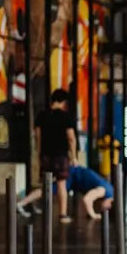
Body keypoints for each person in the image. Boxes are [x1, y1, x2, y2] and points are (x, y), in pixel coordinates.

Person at [33, 89, 77, 222]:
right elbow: (71, 138)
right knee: (61, 185)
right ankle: (62, 215)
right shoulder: (66, 117)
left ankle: (46, 211)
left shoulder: (41, 116)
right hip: (61, 155)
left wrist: (38, 153)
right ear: (63, 102)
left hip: (46, 154)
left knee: (46, 184)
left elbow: (37, 136)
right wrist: (73, 156)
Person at [17, 165, 113, 221]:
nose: (103, 210)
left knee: (48, 190)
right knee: (48, 190)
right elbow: (87, 199)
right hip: (72, 175)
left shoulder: (110, 191)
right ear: (110, 203)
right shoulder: (104, 191)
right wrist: (93, 214)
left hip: (75, 177)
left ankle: (29, 203)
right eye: (106, 209)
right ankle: (21, 204)